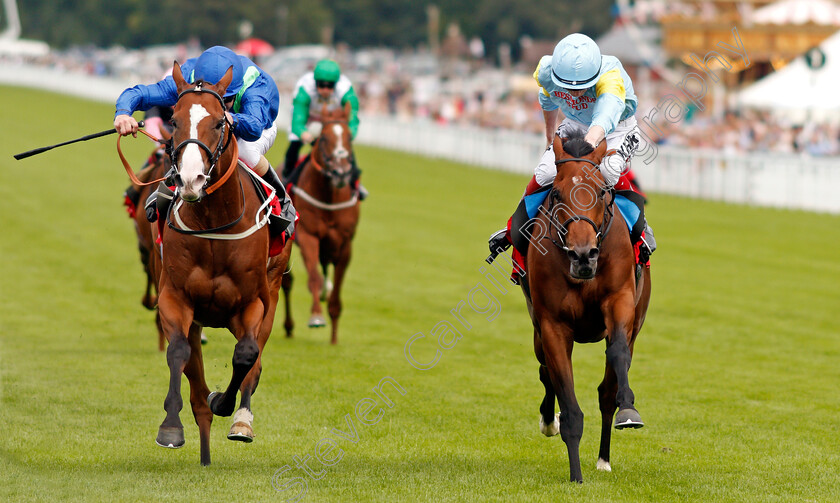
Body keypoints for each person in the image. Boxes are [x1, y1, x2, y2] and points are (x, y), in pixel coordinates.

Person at [486, 33, 655, 277]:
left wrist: (584, 155)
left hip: (618, 128)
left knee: (607, 170)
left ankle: (640, 230)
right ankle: (514, 229)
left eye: (583, 87)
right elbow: (548, 100)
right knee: (545, 172)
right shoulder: (546, 70)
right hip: (574, 124)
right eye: (568, 88)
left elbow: (603, 119)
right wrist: (549, 136)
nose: (575, 94)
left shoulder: (611, 78)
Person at [113, 45, 294, 236]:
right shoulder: (188, 77)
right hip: (210, 124)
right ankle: (172, 185)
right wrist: (123, 113)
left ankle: (282, 200)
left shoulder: (255, 86)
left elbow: (255, 127)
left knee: (245, 152)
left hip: (255, 124)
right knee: (189, 139)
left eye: (226, 99)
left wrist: (231, 117)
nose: (220, 104)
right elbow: (141, 94)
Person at [282, 59, 366, 198]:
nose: (325, 90)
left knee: (345, 146)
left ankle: (355, 184)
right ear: (315, 82)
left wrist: (349, 134)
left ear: (336, 84)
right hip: (308, 114)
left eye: (330, 86)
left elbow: (353, 118)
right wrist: (307, 136)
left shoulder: (346, 89)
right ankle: (286, 182)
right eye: (321, 85)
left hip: (331, 118)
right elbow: (298, 123)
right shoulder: (304, 88)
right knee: (294, 145)